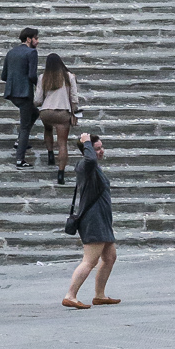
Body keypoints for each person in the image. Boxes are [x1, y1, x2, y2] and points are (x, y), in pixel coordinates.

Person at [63, 131, 120, 309]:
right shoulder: (85, 165)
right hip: (93, 220)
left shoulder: (93, 167)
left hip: (102, 220)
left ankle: (100, 295)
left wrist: (89, 145)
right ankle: (70, 295)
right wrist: (86, 142)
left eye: (101, 147)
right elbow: (90, 160)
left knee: (110, 257)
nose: (101, 151)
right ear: (87, 151)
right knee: (89, 260)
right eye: (97, 148)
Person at [34, 52, 81, 183]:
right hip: (62, 112)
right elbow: (74, 98)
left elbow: (37, 99)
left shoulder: (43, 77)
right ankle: (60, 173)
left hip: (46, 112)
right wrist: (74, 112)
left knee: (48, 129)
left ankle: (50, 154)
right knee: (62, 143)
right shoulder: (69, 77)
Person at [2, 26, 40, 167]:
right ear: (29, 39)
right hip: (24, 93)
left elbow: (3, 76)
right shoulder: (31, 53)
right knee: (25, 127)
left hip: (12, 92)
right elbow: (32, 75)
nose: (37, 41)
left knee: (35, 113)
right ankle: (20, 159)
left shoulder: (11, 52)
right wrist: (40, 86)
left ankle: (20, 141)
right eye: (36, 38)